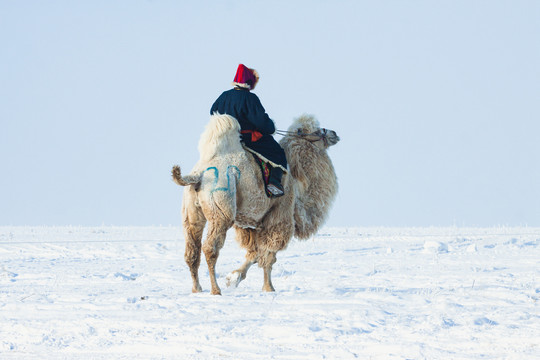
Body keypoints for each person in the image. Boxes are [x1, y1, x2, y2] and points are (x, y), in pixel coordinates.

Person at [210, 64, 287, 197]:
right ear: (249, 83)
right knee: (277, 152)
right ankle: (274, 183)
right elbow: (261, 122)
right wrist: (271, 127)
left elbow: (213, 112)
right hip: (246, 139)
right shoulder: (250, 98)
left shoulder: (224, 96)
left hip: (225, 139)